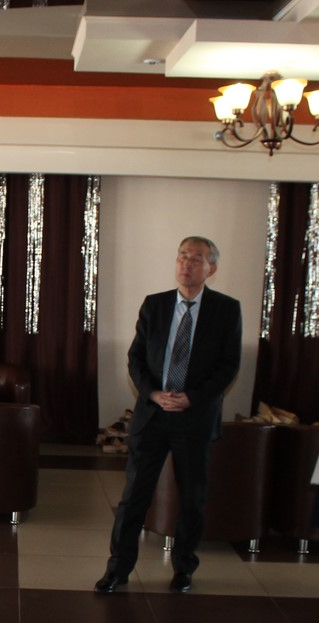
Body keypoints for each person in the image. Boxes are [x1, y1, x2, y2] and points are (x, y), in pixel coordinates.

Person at [95, 236, 242, 595]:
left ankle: (184, 567)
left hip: (195, 417)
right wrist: (152, 393)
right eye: (182, 256)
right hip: (153, 415)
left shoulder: (226, 309)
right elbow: (136, 358)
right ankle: (117, 569)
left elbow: (228, 366)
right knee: (134, 496)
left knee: (192, 498)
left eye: (196, 259)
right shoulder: (155, 304)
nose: (186, 264)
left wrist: (192, 398)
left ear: (211, 268)